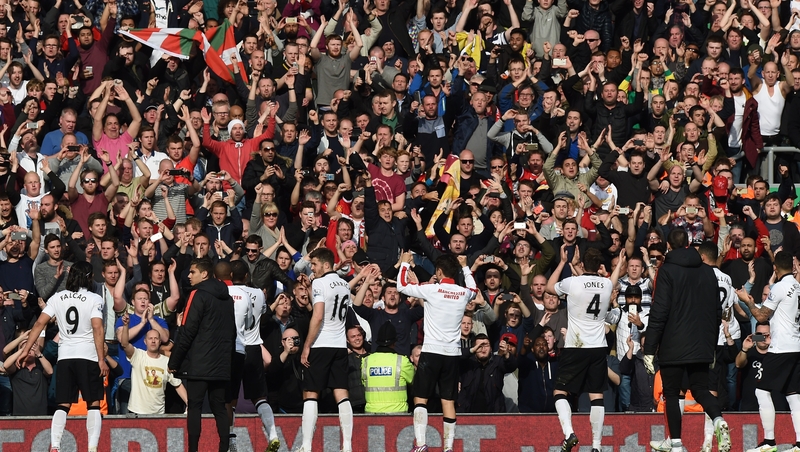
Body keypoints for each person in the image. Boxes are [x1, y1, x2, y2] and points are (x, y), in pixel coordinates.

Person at [643, 230, 731, 452]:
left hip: (673, 344)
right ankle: (719, 419)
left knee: (672, 394)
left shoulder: (667, 270)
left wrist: (650, 348)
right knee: (701, 390)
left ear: (669, 246)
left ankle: (676, 443)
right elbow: (716, 311)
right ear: (689, 243)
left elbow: (660, 311)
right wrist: (710, 346)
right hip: (701, 343)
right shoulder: (708, 272)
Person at [16, 261, 108, 452]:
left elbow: (39, 324)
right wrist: (101, 359)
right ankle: (92, 448)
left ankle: (55, 446)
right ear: (89, 277)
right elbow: (97, 327)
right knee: (93, 405)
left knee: (62, 405)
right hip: (88, 356)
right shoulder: (94, 298)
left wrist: (25, 351)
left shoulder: (58, 297)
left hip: (65, 357)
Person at [397, 252, 477, 452]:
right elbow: (474, 289)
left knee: (420, 398)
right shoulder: (462, 293)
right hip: (452, 354)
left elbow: (401, 286)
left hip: (431, 351)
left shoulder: (432, 289)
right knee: (448, 401)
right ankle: (448, 448)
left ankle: (421, 444)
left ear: (439, 272)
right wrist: (466, 266)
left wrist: (405, 264)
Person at [545, 247, 623, 452]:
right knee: (596, 395)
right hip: (598, 347)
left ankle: (569, 434)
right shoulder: (606, 284)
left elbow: (550, 287)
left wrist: (563, 262)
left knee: (560, 390)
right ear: (599, 266)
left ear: (581, 264)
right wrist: (620, 263)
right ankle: (596, 445)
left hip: (575, 346)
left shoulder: (573, 282)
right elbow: (612, 280)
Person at [167, 259, 236, 452]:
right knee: (219, 407)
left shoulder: (197, 294)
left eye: (192, 272)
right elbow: (232, 332)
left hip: (199, 363)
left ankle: (193, 449)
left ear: (204, 274)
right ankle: (224, 448)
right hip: (221, 363)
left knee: (194, 406)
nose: (189, 276)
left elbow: (188, 330)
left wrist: (175, 361)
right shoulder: (227, 298)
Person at [739, 251, 800, 452]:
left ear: (775, 268)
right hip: (796, 346)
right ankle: (799, 443)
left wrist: (747, 300)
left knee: (762, 390)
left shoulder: (780, 287)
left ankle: (769, 441)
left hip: (781, 347)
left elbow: (761, 316)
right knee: (793, 395)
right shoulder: (798, 286)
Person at [298, 248, 354, 452]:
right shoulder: (345, 284)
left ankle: (306, 446)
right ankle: (347, 446)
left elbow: (319, 315)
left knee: (311, 393)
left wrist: (306, 346)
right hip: (339, 345)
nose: (312, 268)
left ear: (326, 264)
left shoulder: (320, 282)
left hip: (321, 344)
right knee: (342, 393)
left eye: (314, 264)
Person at [119, 316, 187, 415]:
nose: (153, 341)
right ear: (145, 341)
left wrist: (189, 403)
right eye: (150, 338)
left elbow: (178, 384)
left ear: (160, 342)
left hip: (158, 414)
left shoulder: (167, 362)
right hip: (137, 412)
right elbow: (124, 343)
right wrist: (125, 326)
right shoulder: (138, 356)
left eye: (156, 338)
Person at [361, 321, 415, 413]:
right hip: (398, 413)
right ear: (394, 342)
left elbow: (363, 382)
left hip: (371, 414)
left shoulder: (366, 361)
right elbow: (413, 380)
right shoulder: (402, 361)